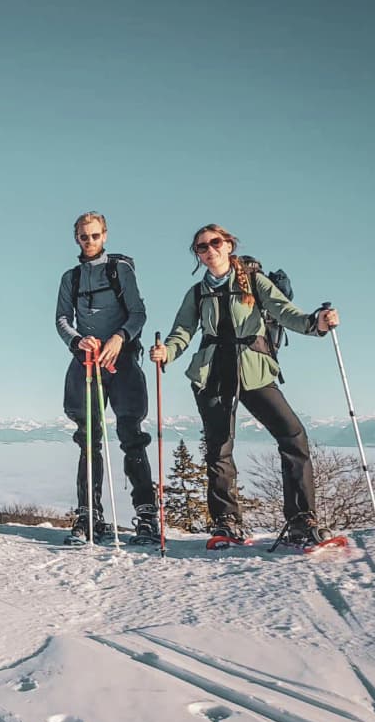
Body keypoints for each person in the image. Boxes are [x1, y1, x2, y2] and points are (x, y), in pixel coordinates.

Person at [149, 224, 340, 546]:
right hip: (211, 372)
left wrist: (316, 323)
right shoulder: (197, 292)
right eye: (201, 247)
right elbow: (183, 330)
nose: (209, 250)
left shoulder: (253, 281)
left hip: (254, 369)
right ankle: (226, 524)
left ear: (228, 245)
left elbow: (284, 312)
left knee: (293, 436)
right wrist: (167, 352)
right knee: (219, 448)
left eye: (215, 243)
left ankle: (301, 521)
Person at [55, 212, 158, 543]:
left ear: (105, 236)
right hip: (86, 362)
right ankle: (89, 514)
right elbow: (61, 318)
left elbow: (138, 312)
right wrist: (77, 340)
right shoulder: (70, 278)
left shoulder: (120, 271)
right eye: (84, 237)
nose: (89, 242)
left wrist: (119, 338)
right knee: (88, 437)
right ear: (76, 239)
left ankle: (146, 516)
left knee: (131, 434)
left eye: (95, 236)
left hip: (122, 360)